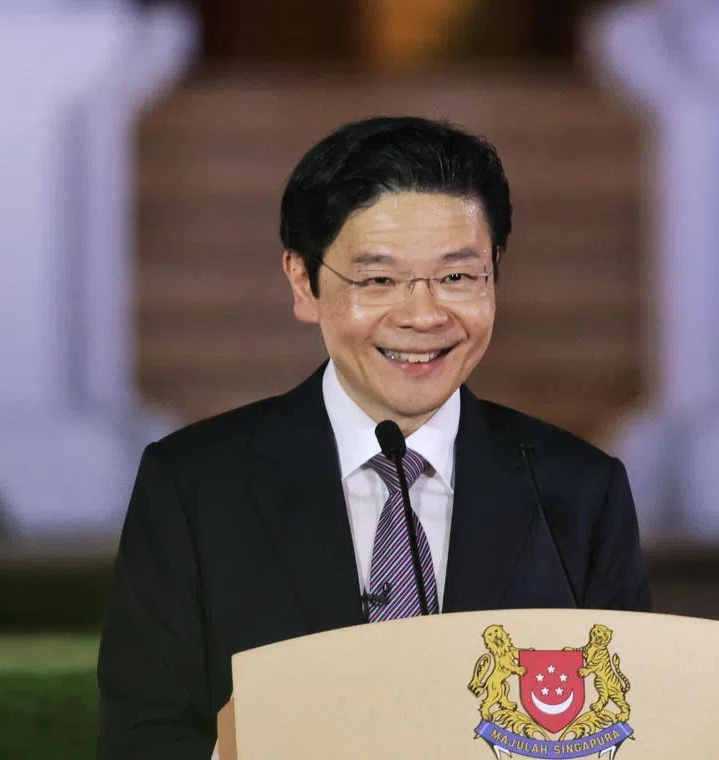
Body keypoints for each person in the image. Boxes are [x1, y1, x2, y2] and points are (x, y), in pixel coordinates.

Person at [96, 116, 651, 759]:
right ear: (303, 281)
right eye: (379, 279)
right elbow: (140, 739)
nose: (423, 315)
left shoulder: (580, 488)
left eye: (458, 277)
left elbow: (633, 724)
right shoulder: (193, 485)